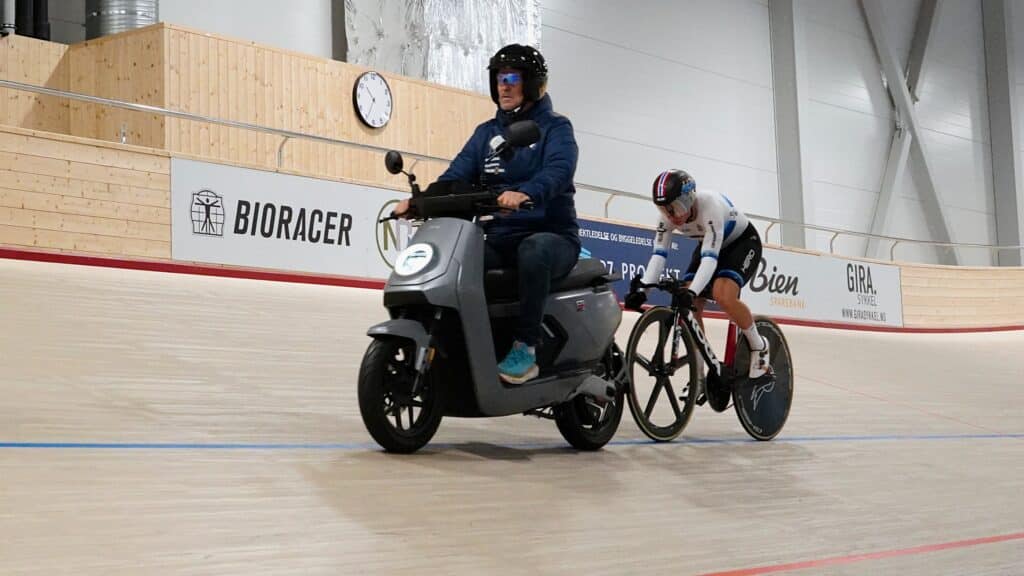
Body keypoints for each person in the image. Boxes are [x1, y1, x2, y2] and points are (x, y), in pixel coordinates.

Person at [393, 43, 580, 385]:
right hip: (500, 236)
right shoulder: (486, 133)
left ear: (534, 83)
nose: (503, 86)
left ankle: (526, 348)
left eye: (512, 78)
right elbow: (456, 176)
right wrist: (419, 202)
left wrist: (526, 193)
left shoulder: (555, 128)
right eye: (498, 78)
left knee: (534, 251)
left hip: (552, 236)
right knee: (456, 259)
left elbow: (559, 171)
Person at [624, 169, 770, 379]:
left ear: (690, 198)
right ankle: (702, 372)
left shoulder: (710, 206)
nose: (671, 215)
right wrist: (643, 290)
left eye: (675, 207)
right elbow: (658, 255)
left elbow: (710, 259)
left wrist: (692, 292)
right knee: (689, 306)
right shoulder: (666, 219)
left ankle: (759, 344)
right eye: (664, 209)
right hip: (709, 244)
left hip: (742, 243)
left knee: (723, 294)